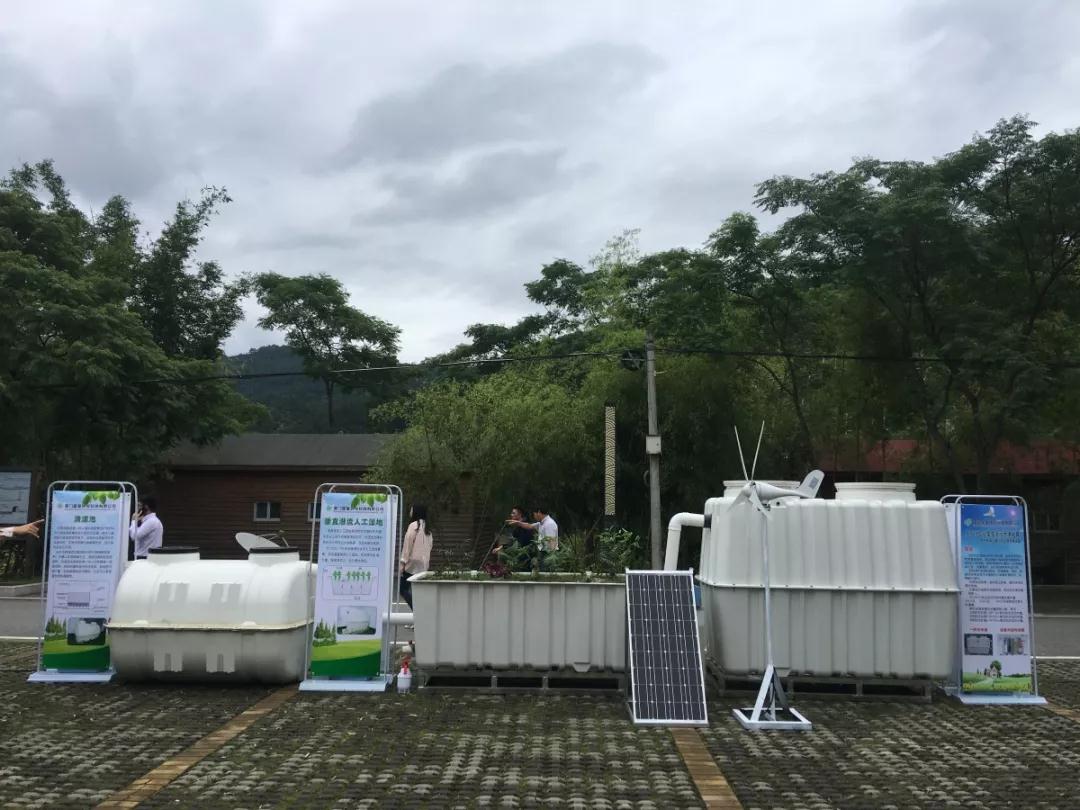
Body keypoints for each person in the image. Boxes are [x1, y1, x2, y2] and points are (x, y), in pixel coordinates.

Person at [399, 504, 433, 610]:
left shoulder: (413, 525)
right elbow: (430, 545)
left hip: (412, 564)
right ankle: (419, 613)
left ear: (415, 512)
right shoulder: (427, 527)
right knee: (418, 590)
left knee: (402, 588)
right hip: (423, 564)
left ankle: (416, 610)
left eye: (411, 509)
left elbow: (407, 545)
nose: (410, 511)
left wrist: (402, 562)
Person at [498, 506, 536, 571]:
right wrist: (501, 547)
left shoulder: (526, 527)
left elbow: (522, 544)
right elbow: (513, 542)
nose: (511, 515)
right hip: (519, 555)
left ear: (520, 515)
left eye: (513, 513)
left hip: (525, 557)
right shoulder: (517, 527)